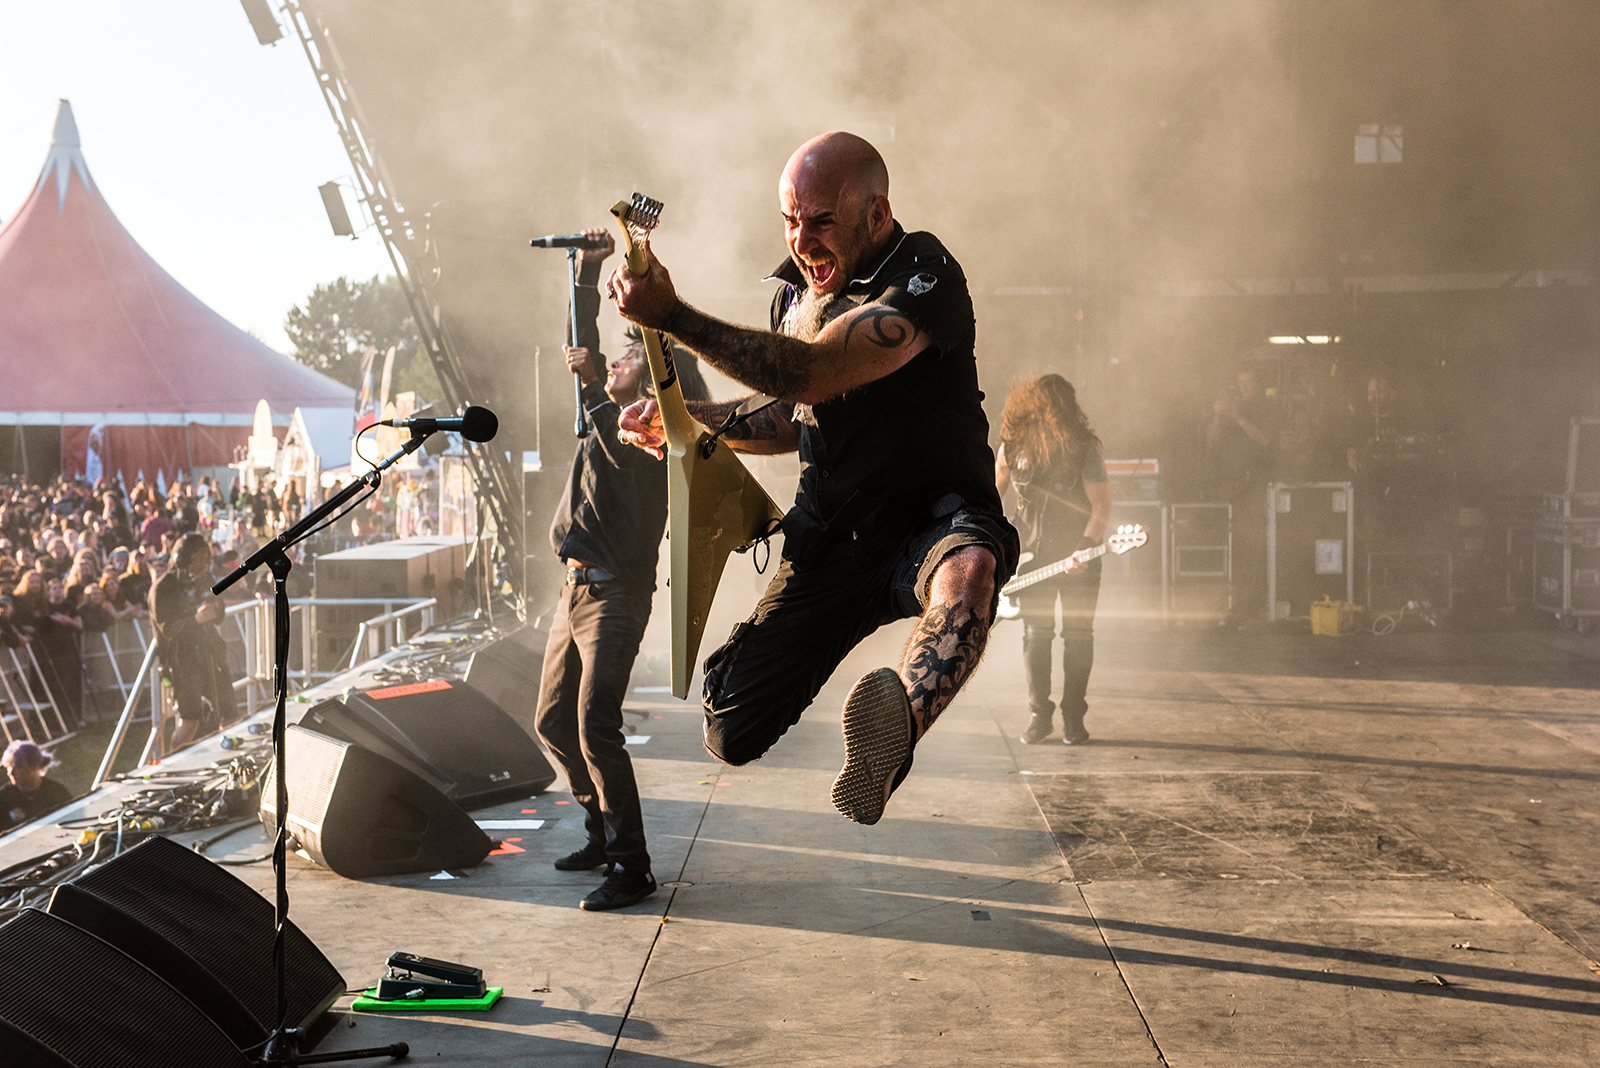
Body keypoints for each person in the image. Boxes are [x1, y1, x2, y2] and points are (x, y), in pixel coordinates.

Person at [610, 131, 1018, 826]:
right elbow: (790, 417)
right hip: (833, 537)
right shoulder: (792, 297)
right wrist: (687, 420)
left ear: (876, 216)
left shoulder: (923, 273)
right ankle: (792, 693)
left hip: (934, 519)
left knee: (972, 564)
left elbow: (814, 371)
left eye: (822, 221)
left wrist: (673, 318)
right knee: (730, 732)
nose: (804, 241)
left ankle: (896, 731)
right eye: (790, 221)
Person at [534, 229, 700, 912]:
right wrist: (586, 276)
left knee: (596, 721)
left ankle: (632, 866)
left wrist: (596, 372)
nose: (615, 364)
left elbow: (606, 406)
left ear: (656, 379)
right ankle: (601, 831)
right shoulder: (604, 415)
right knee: (551, 722)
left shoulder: (657, 436)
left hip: (614, 598)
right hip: (573, 591)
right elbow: (588, 362)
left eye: (631, 358)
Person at [995, 375, 1111, 746]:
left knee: (1077, 636)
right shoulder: (1013, 447)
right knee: (1037, 635)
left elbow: (1101, 507)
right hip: (1031, 559)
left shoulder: (1083, 448)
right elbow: (989, 496)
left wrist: (1084, 546)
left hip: (1080, 557)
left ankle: (1073, 716)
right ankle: (1038, 715)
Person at [1205, 366, 1280, 623]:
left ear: (1259, 383)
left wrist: (1239, 418)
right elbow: (1212, 442)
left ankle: (1251, 606)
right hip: (1229, 484)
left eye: (1248, 382)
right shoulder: (1230, 408)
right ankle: (1224, 603)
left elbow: (1266, 439)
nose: (1244, 387)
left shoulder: (1268, 407)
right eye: (1240, 382)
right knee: (1227, 543)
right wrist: (1217, 416)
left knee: (1252, 545)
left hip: (1254, 484)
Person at [149, 533, 236, 749]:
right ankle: (173, 765)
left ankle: (228, 757)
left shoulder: (206, 580)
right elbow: (166, 627)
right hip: (183, 661)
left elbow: (220, 613)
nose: (205, 563)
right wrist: (195, 620)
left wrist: (214, 610)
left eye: (207, 558)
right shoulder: (164, 587)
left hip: (212, 655)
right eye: (199, 558)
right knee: (190, 720)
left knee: (230, 714)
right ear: (183, 558)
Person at [0, 741, 72, 831]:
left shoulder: (56, 791)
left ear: (34, 766)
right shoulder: (3, 799)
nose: (10, 772)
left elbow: (73, 821)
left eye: (17, 767)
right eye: (8, 766)